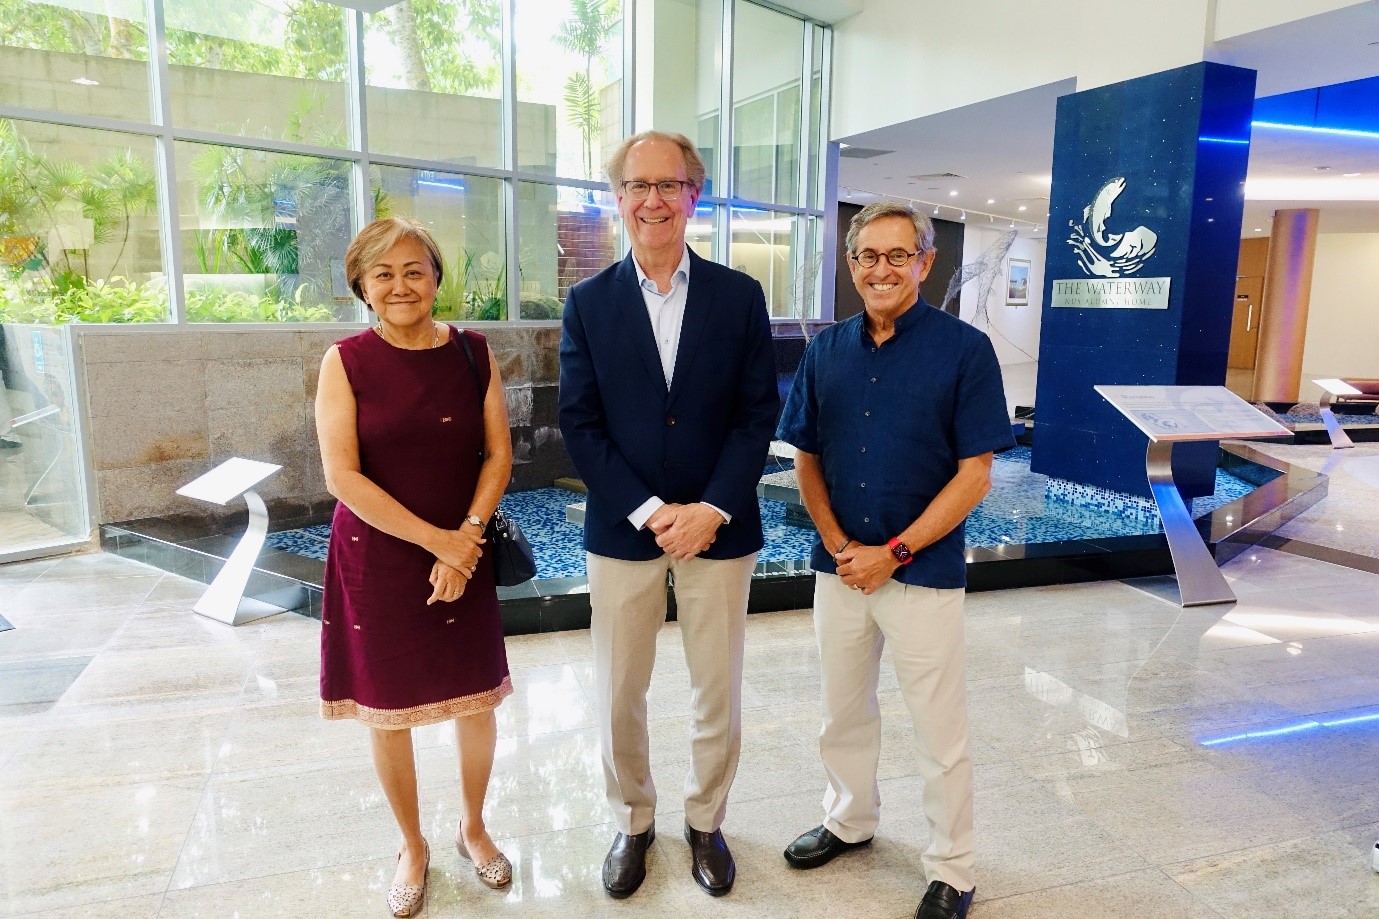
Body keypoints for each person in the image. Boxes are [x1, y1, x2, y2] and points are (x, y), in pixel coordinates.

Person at [776, 202, 1015, 919]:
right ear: (850, 265)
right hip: (841, 570)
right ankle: (848, 819)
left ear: (923, 262)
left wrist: (895, 551)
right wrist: (842, 545)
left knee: (937, 728)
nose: (880, 269)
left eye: (896, 255)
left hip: (922, 574)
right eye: (866, 256)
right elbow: (805, 457)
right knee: (840, 710)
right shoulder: (825, 350)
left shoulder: (964, 350)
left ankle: (951, 865)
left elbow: (974, 473)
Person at [558, 130, 778, 899]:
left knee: (715, 687)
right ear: (616, 198)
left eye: (669, 184)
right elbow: (579, 424)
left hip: (720, 531)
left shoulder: (739, 295)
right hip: (624, 530)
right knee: (620, 688)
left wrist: (711, 507)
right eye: (637, 185)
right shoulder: (587, 303)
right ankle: (632, 820)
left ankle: (707, 819)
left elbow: (758, 416)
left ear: (695, 193)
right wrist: (655, 512)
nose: (652, 199)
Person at [315, 217, 515, 918]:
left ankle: (474, 826)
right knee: (388, 709)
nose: (400, 285)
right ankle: (412, 843)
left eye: (413, 270)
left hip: (464, 542)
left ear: (435, 277)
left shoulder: (473, 352)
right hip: (380, 555)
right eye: (383, 274)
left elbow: (497, 455)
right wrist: (439, 543)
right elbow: (342, 475)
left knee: (477, 699)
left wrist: (465, 536)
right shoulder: (346, 360)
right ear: (361, 286)